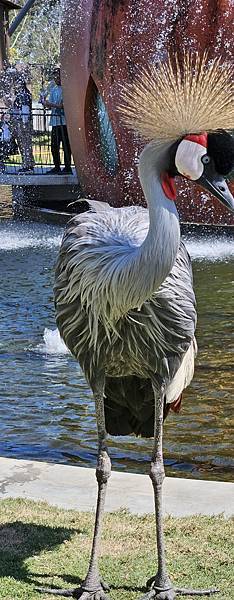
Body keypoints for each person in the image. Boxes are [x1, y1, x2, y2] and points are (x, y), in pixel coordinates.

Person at [41, 67, 72, 174]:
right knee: (54, 146)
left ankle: (68, 168)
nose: (56, 78)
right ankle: (57, 167)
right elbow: (51, 106)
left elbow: (63, 106)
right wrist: (45, 104)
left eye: (58, 76)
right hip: (55, 122)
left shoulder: (67, 89)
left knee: (66, 146)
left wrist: (50, 105)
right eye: (55, 76)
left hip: (64, 123)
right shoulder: (53, 89)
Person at [10, 77, 34, 174]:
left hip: (24, 123)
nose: (16, 86)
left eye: (17, 83)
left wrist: (24, 124)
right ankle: (27, 164)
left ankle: (28, 165)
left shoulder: (24, 95)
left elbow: (25, 110)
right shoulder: (20, 94)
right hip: (20, 123)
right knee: (23, 144)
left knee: (25, 144)